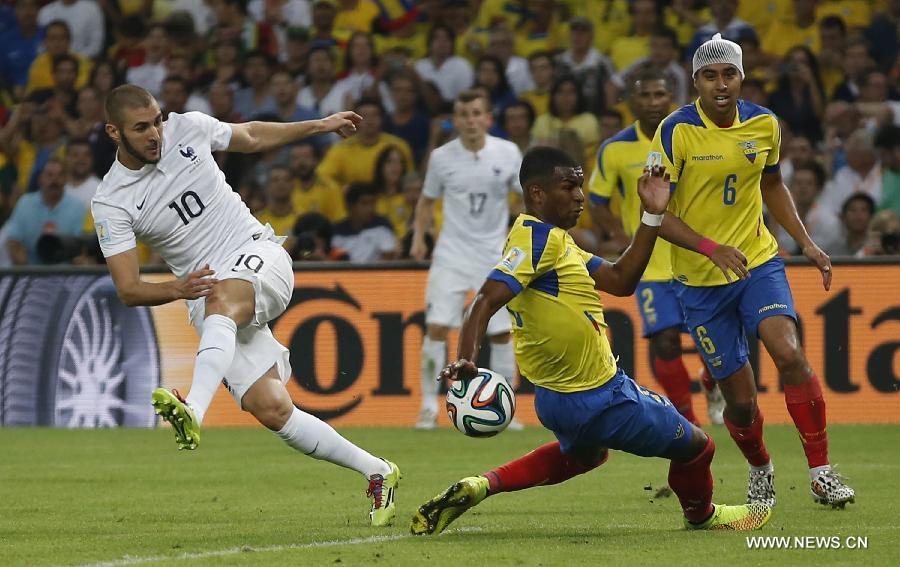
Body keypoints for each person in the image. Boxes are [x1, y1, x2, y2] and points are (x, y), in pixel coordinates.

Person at [409, 147, 772, 536]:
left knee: (585, 455)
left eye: (581, 186)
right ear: (537, 194)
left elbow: (620, 280)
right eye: (569, 186)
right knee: (699, 448)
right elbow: (484, 301)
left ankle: (482, 485)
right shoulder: (537, 241)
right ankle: (702, 516)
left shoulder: (555, 241)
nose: (580, 196)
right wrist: (467, 358)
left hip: (555, 399)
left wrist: (652, 215)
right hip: (600, 396)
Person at [90, 85, 400, 526]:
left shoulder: (189, 127)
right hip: (206, 292)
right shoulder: (111, 201)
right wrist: (178, 289)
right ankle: (378, 471)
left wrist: (320, 125)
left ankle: (193, 409)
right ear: (113, 132)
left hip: (258, 254)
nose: (156, 133)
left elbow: (252, 135)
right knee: (271, 408)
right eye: (141, 128)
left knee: (219, 296)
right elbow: (127, 288)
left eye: (157, 120)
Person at [649, 34, 855, 508]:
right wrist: (709, 247)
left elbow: (773, 183)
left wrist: (806, 243)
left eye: (730, 74)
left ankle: (822, 473)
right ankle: (761, 468)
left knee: (789, 353)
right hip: (699, 279)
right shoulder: (675, 131)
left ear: (742, 77)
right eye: (710, 76)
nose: (721, 84)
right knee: (740, 402)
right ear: (695, 82)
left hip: (756, 261)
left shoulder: (764, 124)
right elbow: (656, 215)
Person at [590, 68, 724, 427]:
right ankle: (689, 420)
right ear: (632, 102)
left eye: (659, 95)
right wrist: (620, 236)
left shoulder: (694, 138)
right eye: (645, 96)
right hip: (650, 265)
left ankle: (712, 380)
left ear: (672, 98)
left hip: (695, 257)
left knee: (713, 341)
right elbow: (597, 200)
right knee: (664, 342)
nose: (653, 103)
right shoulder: (615, 149)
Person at [410, 89, 523, 430]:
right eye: (463, 114)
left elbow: (521, 199)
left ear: (488, 118)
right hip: (452, 252)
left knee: (501, 333)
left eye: (476, 113)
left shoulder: (508, 152)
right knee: (437, 328)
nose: (470, 120)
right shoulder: (443, 158)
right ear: (455, 120)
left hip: (495, 254)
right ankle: (429, 404)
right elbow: (427, 202)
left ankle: (507, 403)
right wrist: (419, 236)